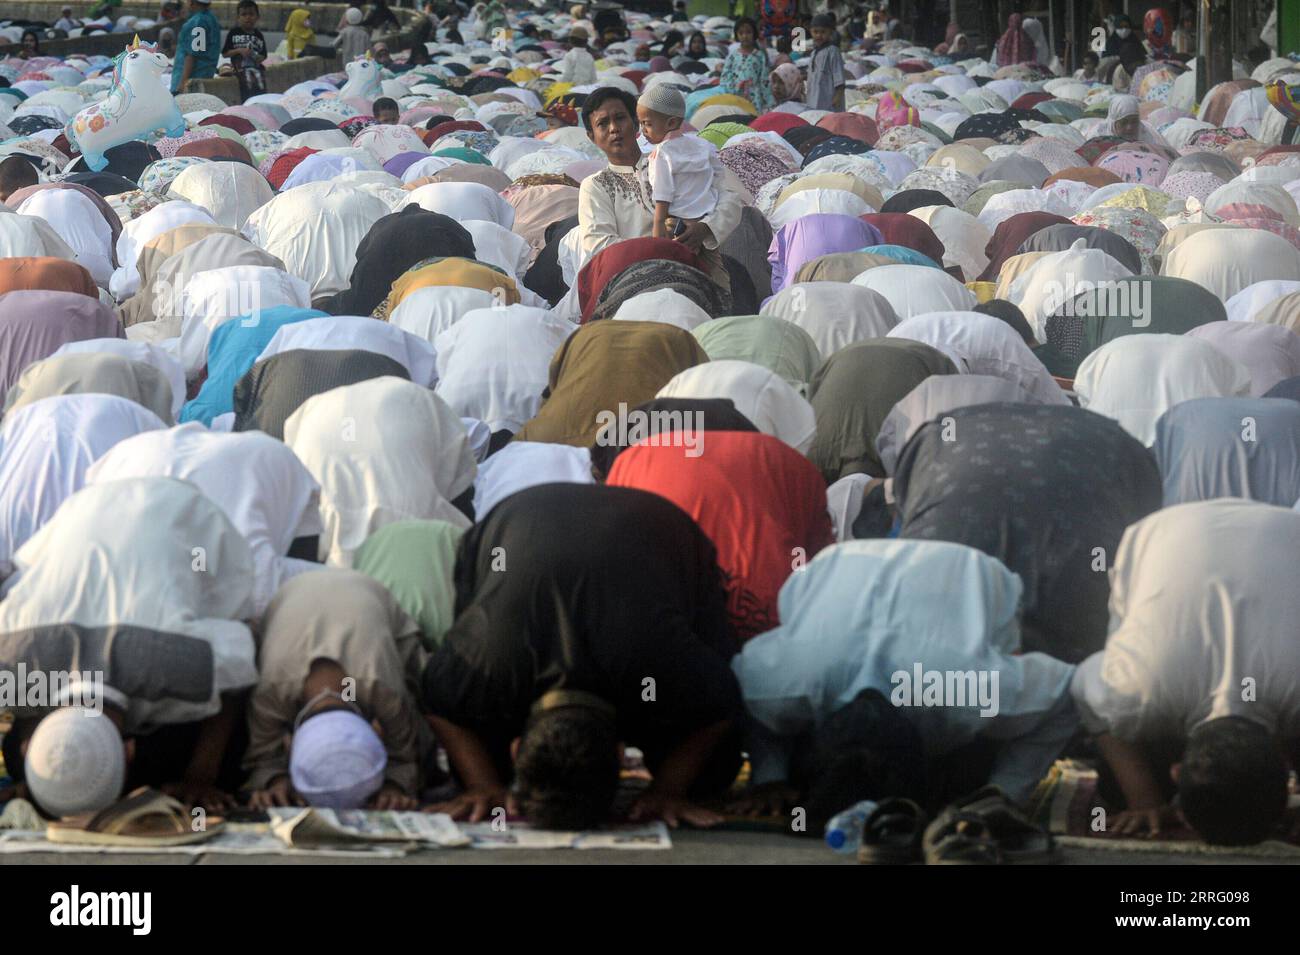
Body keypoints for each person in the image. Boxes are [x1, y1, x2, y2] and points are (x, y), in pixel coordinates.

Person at [420, 484, 744, 829]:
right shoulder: (489, 664)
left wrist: (669, 790)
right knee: (475, 750)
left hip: (650, 530)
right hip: (516, 523)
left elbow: (723, 703)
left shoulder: (660, 663)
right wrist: (484, 785)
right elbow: (440, 700)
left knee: (714, 771)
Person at [732, 540, 1078, 812]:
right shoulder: (787, 682)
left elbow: (1068, 690)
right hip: (850, 568)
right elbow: (1069, 690)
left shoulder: (963, 693)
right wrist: (769, 778)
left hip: (960, 574)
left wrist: (1003, 793)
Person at [1072, 501, 1300, 845]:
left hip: (1175, 530)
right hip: (1162, 536)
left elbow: (1082, 683)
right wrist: (1144, 798)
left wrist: (1143, 799)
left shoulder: (1137, 691)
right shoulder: (1137, 689)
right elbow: (1082, 683)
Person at [244, 570, 431, 811]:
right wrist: (275, 781)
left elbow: (404, 757)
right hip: (292, 595)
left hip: (368, 594)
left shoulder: (384, 691)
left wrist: (394, 786)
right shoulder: (271, 694)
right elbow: (263, 759)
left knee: (425, 698)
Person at [577, 86, 741, 290]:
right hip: (636, 280)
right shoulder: (595, 185)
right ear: (591, 136)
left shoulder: (674, 158)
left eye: (620, 118)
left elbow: (730, 199)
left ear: (636, 123)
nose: (614, 128)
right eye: (602, 123)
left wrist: (705, 228)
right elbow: (598, 243)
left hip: (697, 266)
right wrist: (658, 248)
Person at [637, 85, 720, 256]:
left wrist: (658, 232)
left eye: (647, 123)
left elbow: (662, 195)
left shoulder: (662, 153)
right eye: (640, 123)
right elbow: (716, 177)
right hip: (705, 222)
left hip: (675, 225)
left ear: (672, 123)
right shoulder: (702, 145)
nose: (642, 130)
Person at [719, 17, 773, 113]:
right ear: (736, 35)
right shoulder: (733, 56)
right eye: (741, 33)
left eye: (748, 32)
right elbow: (725, 75)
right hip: (735, 94)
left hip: (755, 97)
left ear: (754, 34)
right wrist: (732, 90)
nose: (745, 36)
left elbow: (764, 80)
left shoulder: (760, 56)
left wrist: (769, 102)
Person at [221, 0, 267, 103]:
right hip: (239, 71)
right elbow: (225, 53)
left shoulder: (259, 35)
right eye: (244, 14)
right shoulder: (233, 33)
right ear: (238, 17)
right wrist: (239, 50)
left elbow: (263, 55)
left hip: (256, 71)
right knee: (245, 93)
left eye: (251, 14)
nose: (248, 17)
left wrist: (256, 57)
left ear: (257, 17)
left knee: (259, 91)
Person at [170, 0, 221, 93]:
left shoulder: (197, 22)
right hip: (205, 77)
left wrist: (182, 83)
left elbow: (192, 55)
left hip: (191, 80)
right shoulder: (211, 19)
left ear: (191, 3)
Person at [806, 13, 845, 111]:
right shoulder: (814, 52)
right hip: (813, 101)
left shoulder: (833, 51)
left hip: (829, 101)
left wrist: (837, 97)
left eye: (823, 32)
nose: (819, 35)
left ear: (830, 32)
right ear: (811, 32)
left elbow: (839, 77)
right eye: (815, 32)